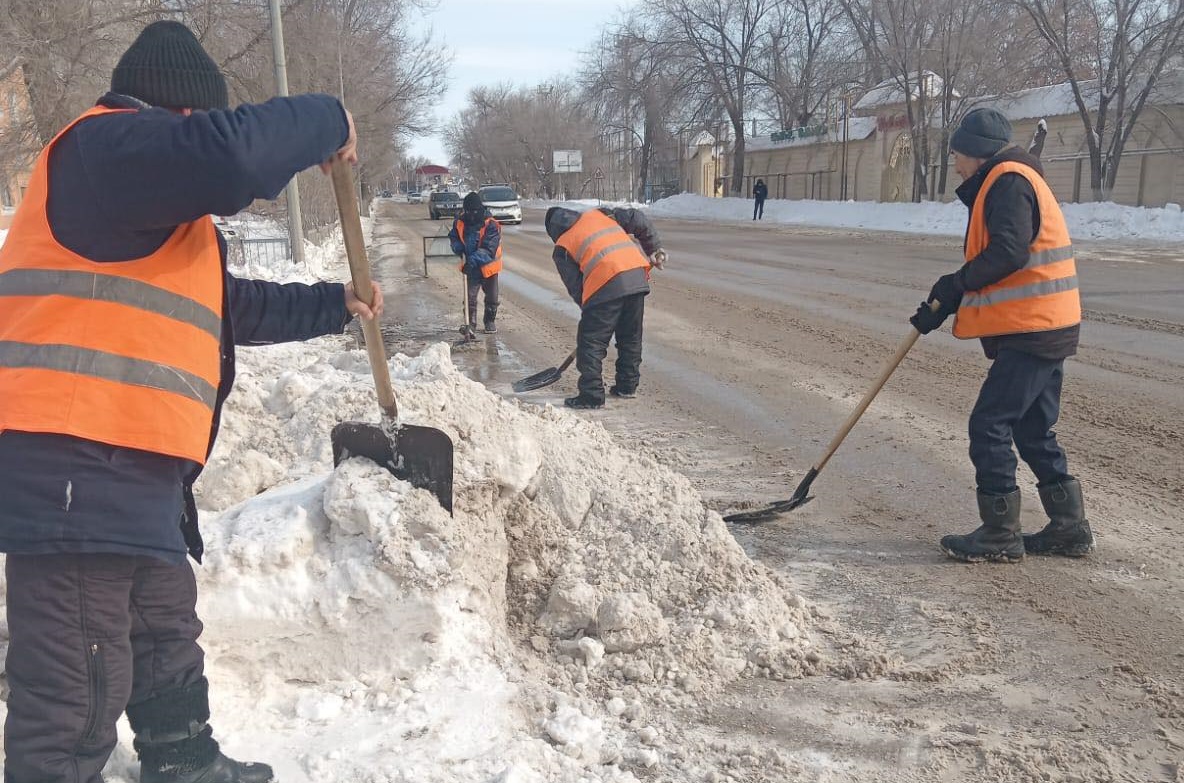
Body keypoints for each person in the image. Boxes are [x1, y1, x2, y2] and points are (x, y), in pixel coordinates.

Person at [0, 20, 382, 783]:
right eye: (198, 127)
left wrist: (336, 304)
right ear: (178, 118)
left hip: (128, 470)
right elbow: (237, 155)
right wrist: (329, 118)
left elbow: (225, 308)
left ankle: (184, 761)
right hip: (74, 466)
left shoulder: (143, 210)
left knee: (161, 628)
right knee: (76, 681)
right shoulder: (106, 151)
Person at [910, 107, 1091, 564]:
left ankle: (999, 533)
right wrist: (949, 298)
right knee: (1032, 427)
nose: (955, 165)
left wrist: (957, 282)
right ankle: (1069, 527)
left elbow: (1009, 251)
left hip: (1036, 328)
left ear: (975, 152)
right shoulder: (1011, 178)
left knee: (989, 424)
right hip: (1046, 323)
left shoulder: (1008, 180)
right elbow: (1005, 260)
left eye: (957, 155)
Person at [544, 205, 666, 409]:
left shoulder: (562, 247)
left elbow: (577, 288)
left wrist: (594, 316)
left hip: (606, 284)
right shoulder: (600, 215)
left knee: (590, 342)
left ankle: (591, 395)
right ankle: (627, 386)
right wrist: (653, 248)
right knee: (630, 337)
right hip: (636, 277)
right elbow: (637, 217)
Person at [448, 192, 502, 333]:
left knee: (492, 296)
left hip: (489, 267)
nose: (471, 214)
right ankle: (470, 324)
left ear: (480, 210)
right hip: (471, 267)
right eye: (468, 211)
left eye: (474, 211)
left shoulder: (491, 225)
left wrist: (471, 261)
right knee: (470, 297)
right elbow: (454, 238)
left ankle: (489, 321)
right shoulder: (460, 222)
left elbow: (489, 249)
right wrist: (458, 248)